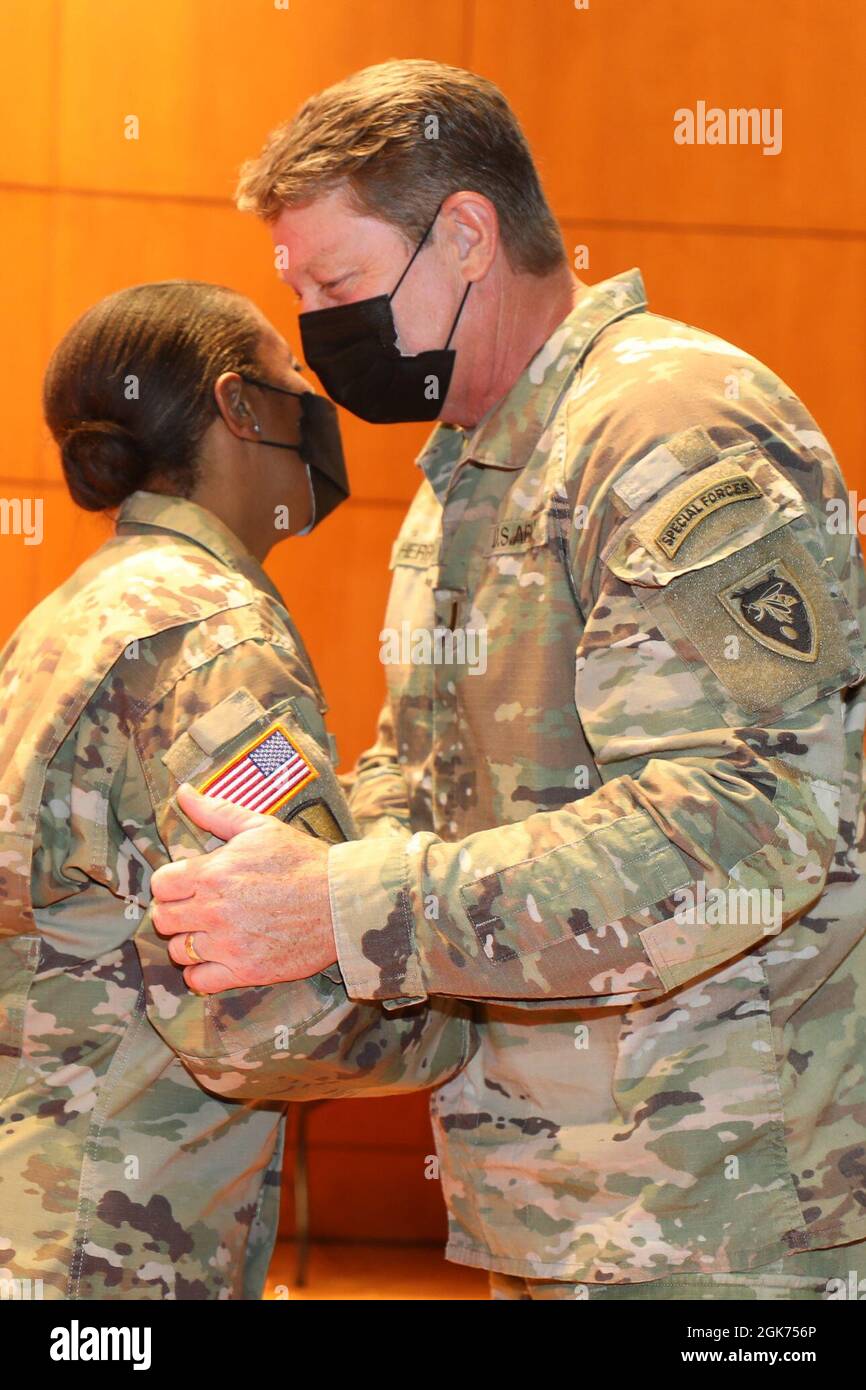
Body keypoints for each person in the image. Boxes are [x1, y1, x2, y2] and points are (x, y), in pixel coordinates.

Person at [151, 61, 866, 1301]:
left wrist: (343, 901)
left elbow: (749, 827)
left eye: (339, 285)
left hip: (727, 1218)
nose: (323, 336)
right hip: (547, 1206)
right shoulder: (467, 475)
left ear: (466, 233)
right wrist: (273, 871)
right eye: (301, 295)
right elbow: (433, 787)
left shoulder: (669, 431)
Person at [0, 279, 474, 1301]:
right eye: (293, 376)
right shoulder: (217, 634)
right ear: (241, 407)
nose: (318, 404)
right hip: (122, 1252)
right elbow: (265, 1012)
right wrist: (483, 1005)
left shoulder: (78, 613)